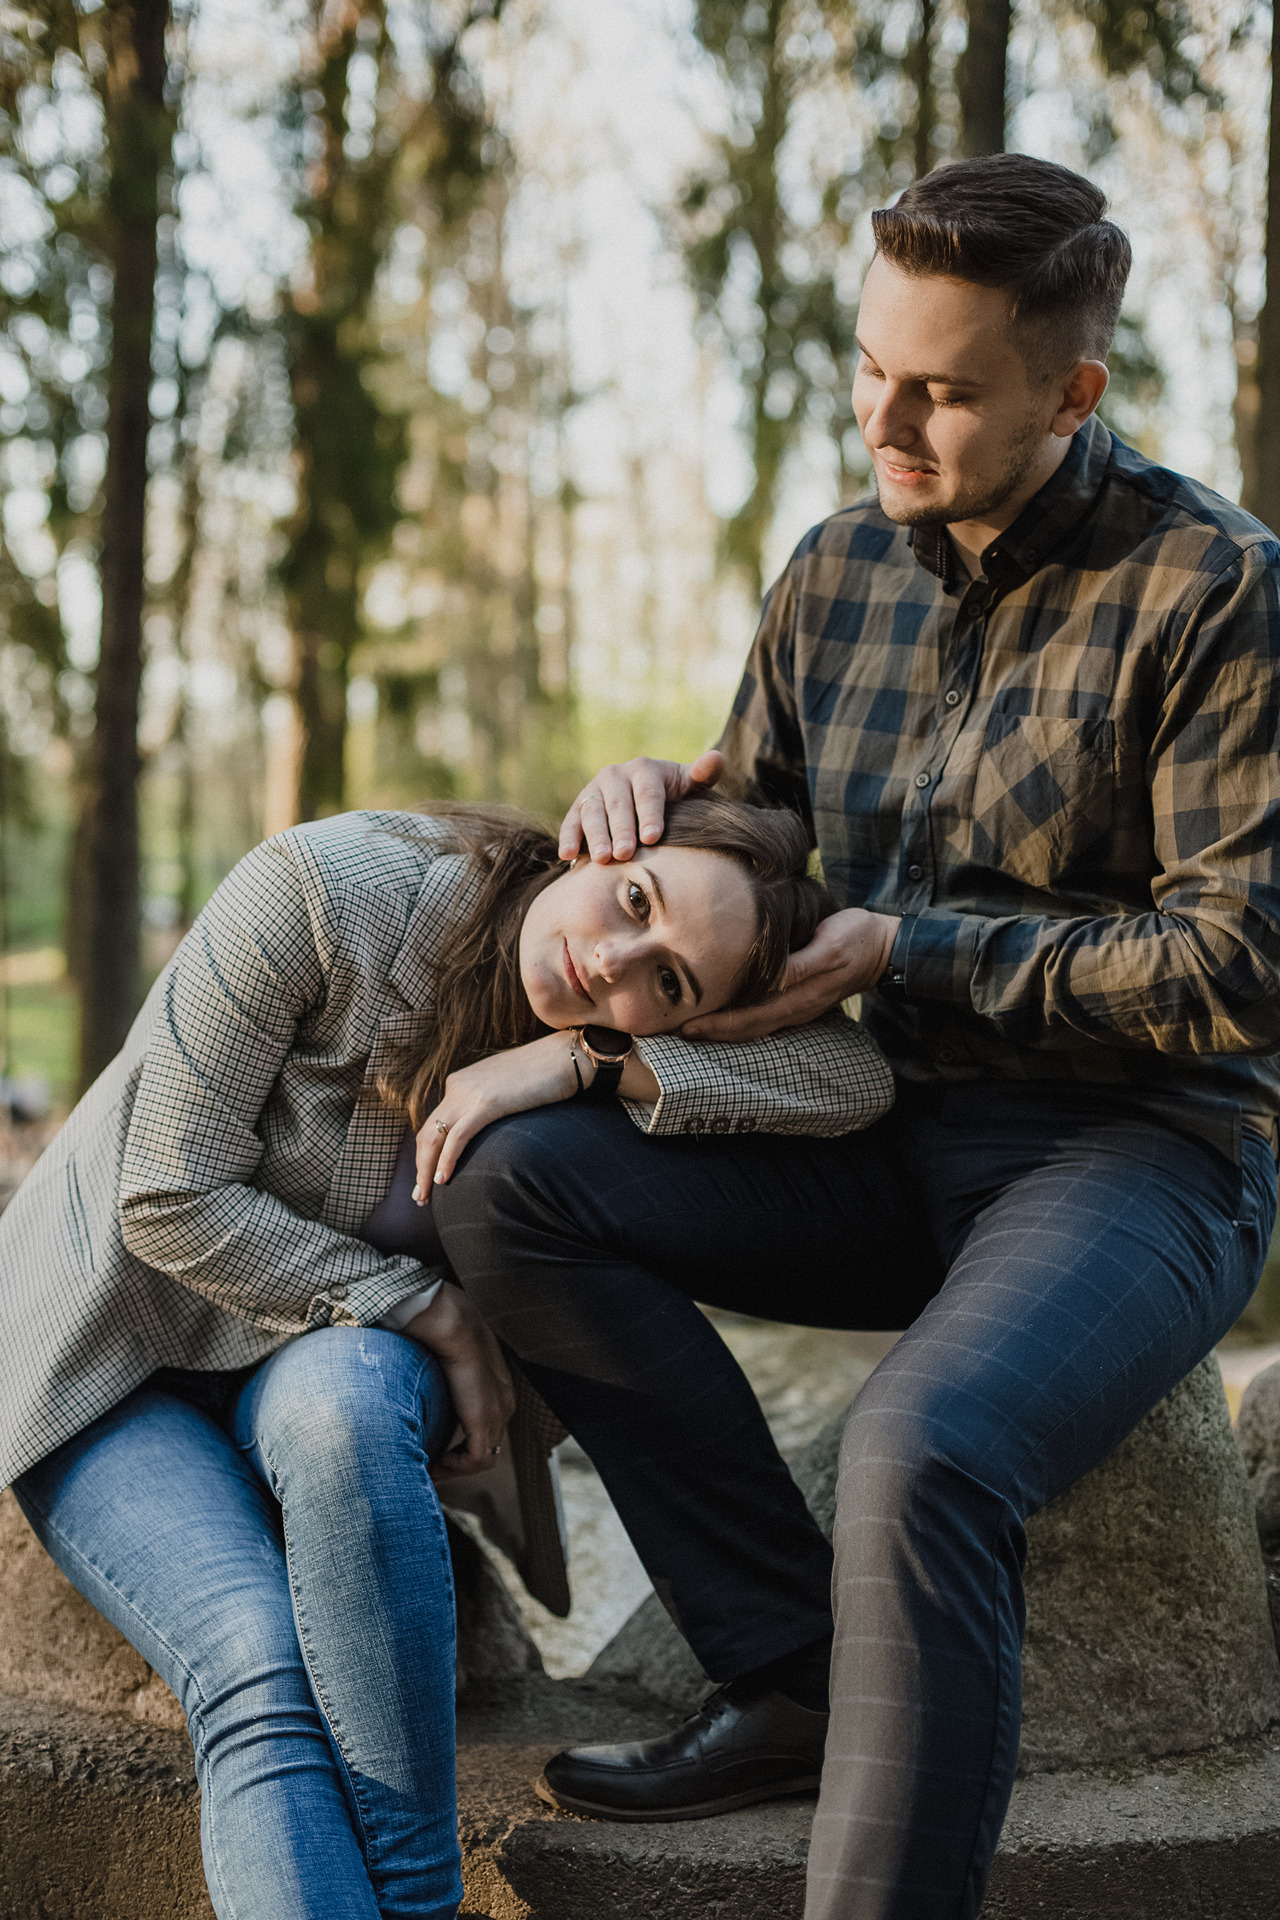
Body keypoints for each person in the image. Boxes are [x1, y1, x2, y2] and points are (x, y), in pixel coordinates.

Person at [426, 154, 1280, 1919]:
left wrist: (928, 948)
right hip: (866, 1128)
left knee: (919, 1447)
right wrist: (661, 809)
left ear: (1073, 392)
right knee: (509, 1187)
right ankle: (793, 1673)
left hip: (1134, 1160)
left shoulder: (1218, 590)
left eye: (943, 391)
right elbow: (759, 870)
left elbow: (1242, 966)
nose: (884, 420)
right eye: (870, 367)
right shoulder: (831, 575)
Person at [0, 796, 891, 1920]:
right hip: (115, 1350)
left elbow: (856, 1086)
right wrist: (429, 1307)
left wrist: (586, 1061)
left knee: (348, 1419)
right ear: (602, 838)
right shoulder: (326, 893)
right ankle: (424, 1901)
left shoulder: (602, 1037)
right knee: (258, 1668)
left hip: (317, 1357)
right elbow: (166, 1193)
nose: (612, 962)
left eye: (668, 984)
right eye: (633, 899)